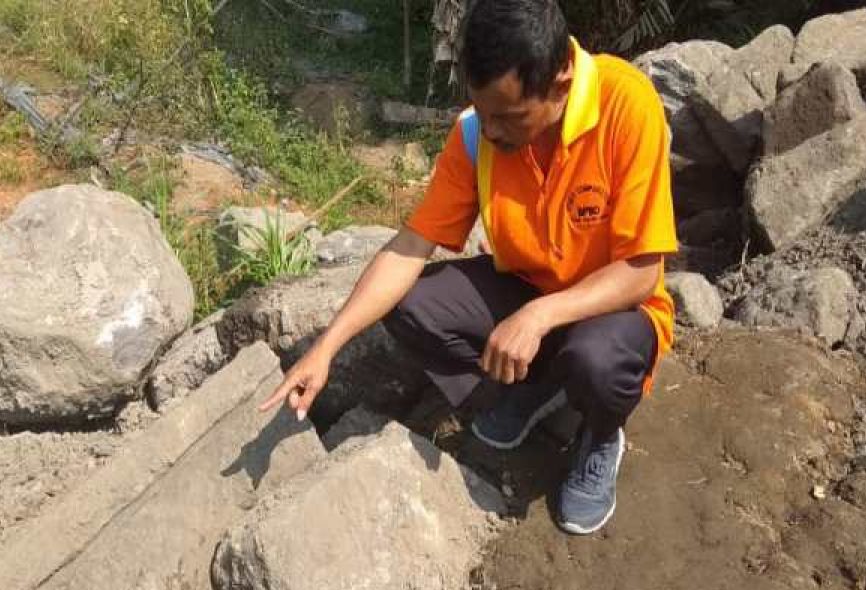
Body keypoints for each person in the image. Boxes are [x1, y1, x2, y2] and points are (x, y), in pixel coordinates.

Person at [260, 0, 678, 535]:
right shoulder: (478, 134)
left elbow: (641, 271)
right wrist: (327, 346)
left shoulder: (624, 105)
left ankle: (600, 434)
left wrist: (539, 317)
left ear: (560, 82)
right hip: (527, 289)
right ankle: (536, 384)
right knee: (413, 306)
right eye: (483, 111)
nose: (494, 131)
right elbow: (412, 244)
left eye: (509, 116)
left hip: (616, 310)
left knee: (595, 359)